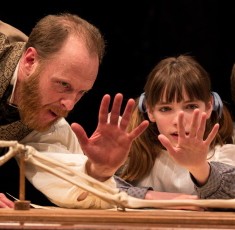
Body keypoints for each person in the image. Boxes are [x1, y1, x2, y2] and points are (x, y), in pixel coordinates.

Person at [0, 14, 151, 209]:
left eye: (81, 92)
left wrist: (99, 172)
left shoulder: (44, 115)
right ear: (30, 61)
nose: (69, 105)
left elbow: (65, 177)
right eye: (63, 84)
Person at [117, 54, 235, 200]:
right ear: (150, 111)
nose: (178, 120)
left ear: (209, 106)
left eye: (191, 107)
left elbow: (231, 190)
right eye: (166, 109)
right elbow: (95, 186)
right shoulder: (133, 154)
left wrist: (199, 167)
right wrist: (153, 196)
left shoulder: (224, 154)